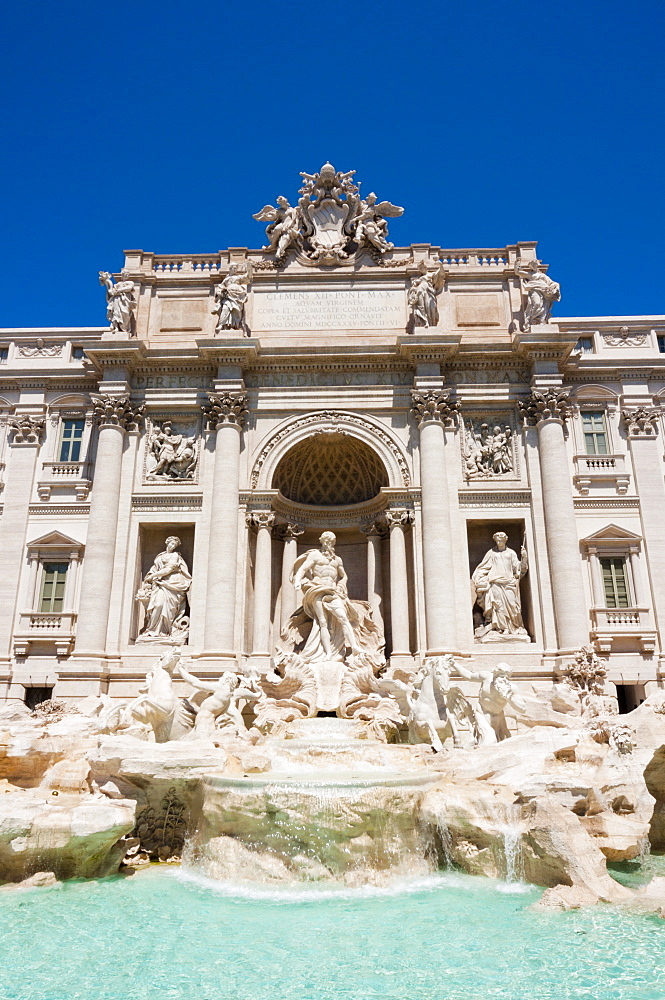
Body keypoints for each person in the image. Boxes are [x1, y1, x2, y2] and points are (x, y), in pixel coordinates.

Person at [291, 531, 361, 661]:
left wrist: (342, 584)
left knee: (343, 618)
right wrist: (297, 581)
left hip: (333, 591)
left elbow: (344, 575)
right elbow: (303, 569)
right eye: (327, 541)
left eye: (332, 541)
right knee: (322, 622)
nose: (329, 544)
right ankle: (328, 653)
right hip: (317, 589)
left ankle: (355, 646)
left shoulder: (337, 560)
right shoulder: (314, 555)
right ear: (322, 541)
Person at [471, 532, 528, 639]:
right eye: (497, 540)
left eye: (501, 540)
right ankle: (502, 629)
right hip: (495, 583)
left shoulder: (511, 553)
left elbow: (519, 569)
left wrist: (524, 558)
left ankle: (514, 627)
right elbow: (483, 567)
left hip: (508, 583)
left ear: (505, 540)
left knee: (512, 605)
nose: (499, 542)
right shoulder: (491, 553)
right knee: (498, 607)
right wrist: (479, 578)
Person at [136, 536, 192, 639]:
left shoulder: (175, 556)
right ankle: (153, 630)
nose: (172, 546)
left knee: (168, 608)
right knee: (158, 605)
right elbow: (155, 568)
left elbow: (168, 569)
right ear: (167, 543)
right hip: (160, 584)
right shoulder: (160, 556)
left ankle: (164, 632)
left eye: (174, 545)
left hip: (173, 583)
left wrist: (153, 576)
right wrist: (151, 575)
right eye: (171, 543)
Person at [98, 270, 136, 335]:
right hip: (117, 299)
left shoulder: (130, 282)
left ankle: (124, 328)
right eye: (125, 273)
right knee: (116, 313)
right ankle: (116, 328)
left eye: (127, 274)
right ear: (122, 275)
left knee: (125, 312)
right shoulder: (118, 284)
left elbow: (129, 288)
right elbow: (111, 292)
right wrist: (107, 283)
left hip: (125, 300)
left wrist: (119, 290)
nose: (126, 275)